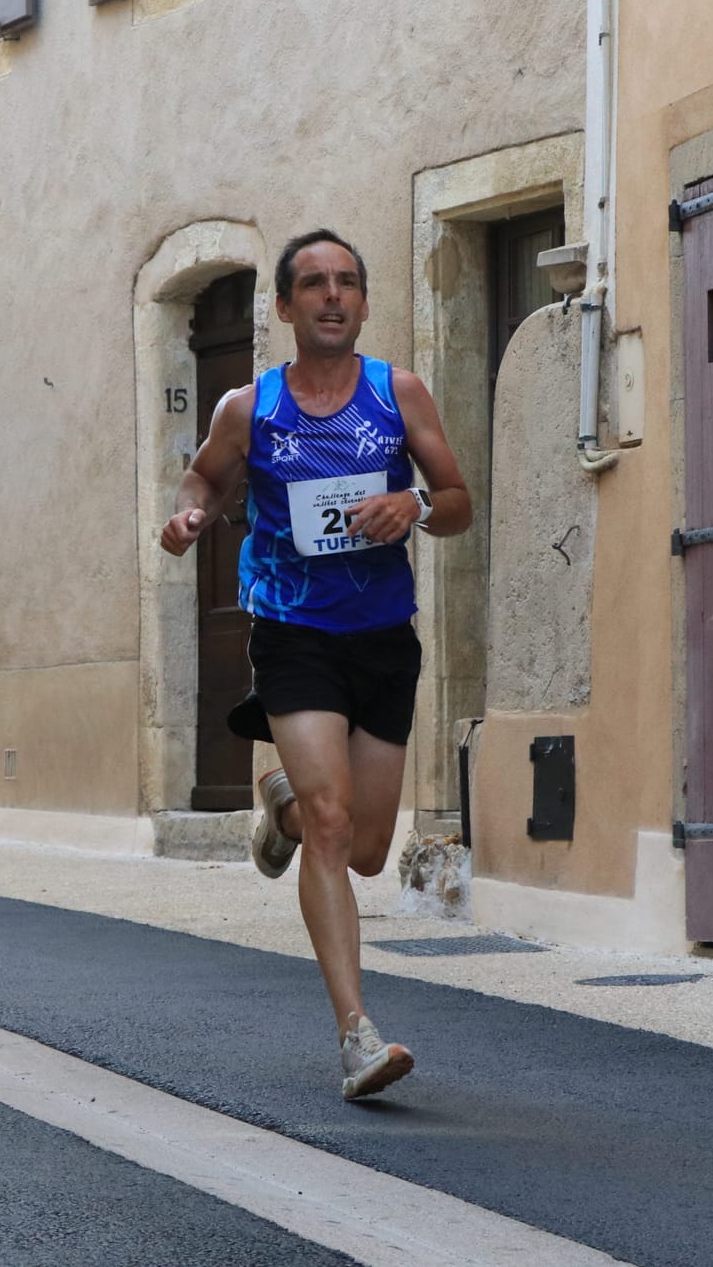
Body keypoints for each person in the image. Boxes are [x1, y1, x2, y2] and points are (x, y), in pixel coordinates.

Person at [160, 229, 472, 1100]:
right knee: (335, 826)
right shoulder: (247, 407)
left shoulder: (397, 393)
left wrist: (412, 503)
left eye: (347, 283)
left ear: (364, 302)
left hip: (382, 638)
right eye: (314, 284)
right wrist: (188, 518)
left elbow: (458, 503)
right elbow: (204, 482)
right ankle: (356, 1033)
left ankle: (283, 807)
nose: (332, 296)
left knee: (367, 847)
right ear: (285, 306)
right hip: (292, 633)